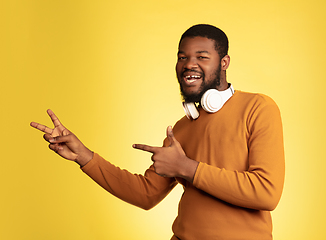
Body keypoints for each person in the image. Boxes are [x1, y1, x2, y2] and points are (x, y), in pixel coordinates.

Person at [31, 24, 285, 240]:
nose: (189, 64)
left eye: (201, 57)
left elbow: (266, 192)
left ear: (224, 62)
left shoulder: (258, 108)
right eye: (182, 57)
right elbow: (145, 194)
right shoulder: (181, 129)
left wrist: (186, 167)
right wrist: (83, 156)